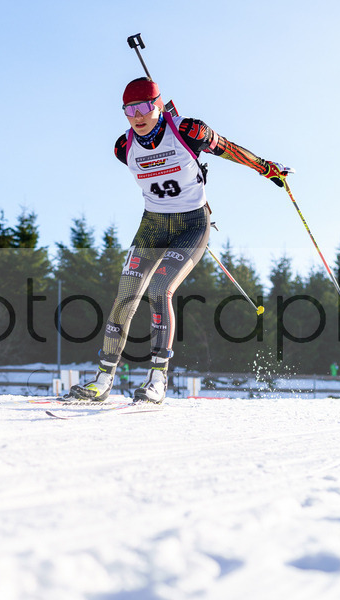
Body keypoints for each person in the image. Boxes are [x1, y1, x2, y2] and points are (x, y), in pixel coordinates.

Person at [69, 77, 289, 403]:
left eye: (144, 107)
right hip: (153, 226)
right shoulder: (122, 147)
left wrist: (265, 168)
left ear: (158, 105)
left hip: (192, 225)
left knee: (160, 289)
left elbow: (227, 148)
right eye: (129, 110)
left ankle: (157, 380)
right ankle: (102, 380)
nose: (137, 116)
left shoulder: (188, 131)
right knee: (126, 295)